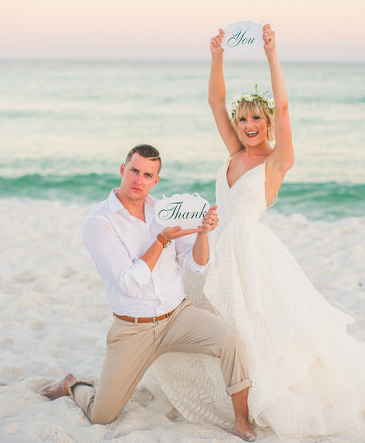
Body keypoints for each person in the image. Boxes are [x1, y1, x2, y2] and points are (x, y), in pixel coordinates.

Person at [145, 26, 365, 438]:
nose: (248, 124)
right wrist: (216, 55)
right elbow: (214, 101)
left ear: (267, 121)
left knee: (251, 328)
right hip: (212, 247)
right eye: (242, 118)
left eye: (256, 117)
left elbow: (284, 107)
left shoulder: (276, 162)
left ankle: (247, 409)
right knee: (203, 320)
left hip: (250, 253)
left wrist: (271, 54)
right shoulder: (235, 152)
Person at [39, 144, 257, 442]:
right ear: (122, 170)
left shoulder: (163, 211)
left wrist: (202, 233)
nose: (138, 180)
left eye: (147, 175)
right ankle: (72, 386)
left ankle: (242, 421)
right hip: (133, 328)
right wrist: (161, 241)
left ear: (156, 180)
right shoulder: (99, 223)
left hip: (177, 316)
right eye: (134, 171)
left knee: (231, 340)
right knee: (102, 416)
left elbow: (196, 266)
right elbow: (129, 283)